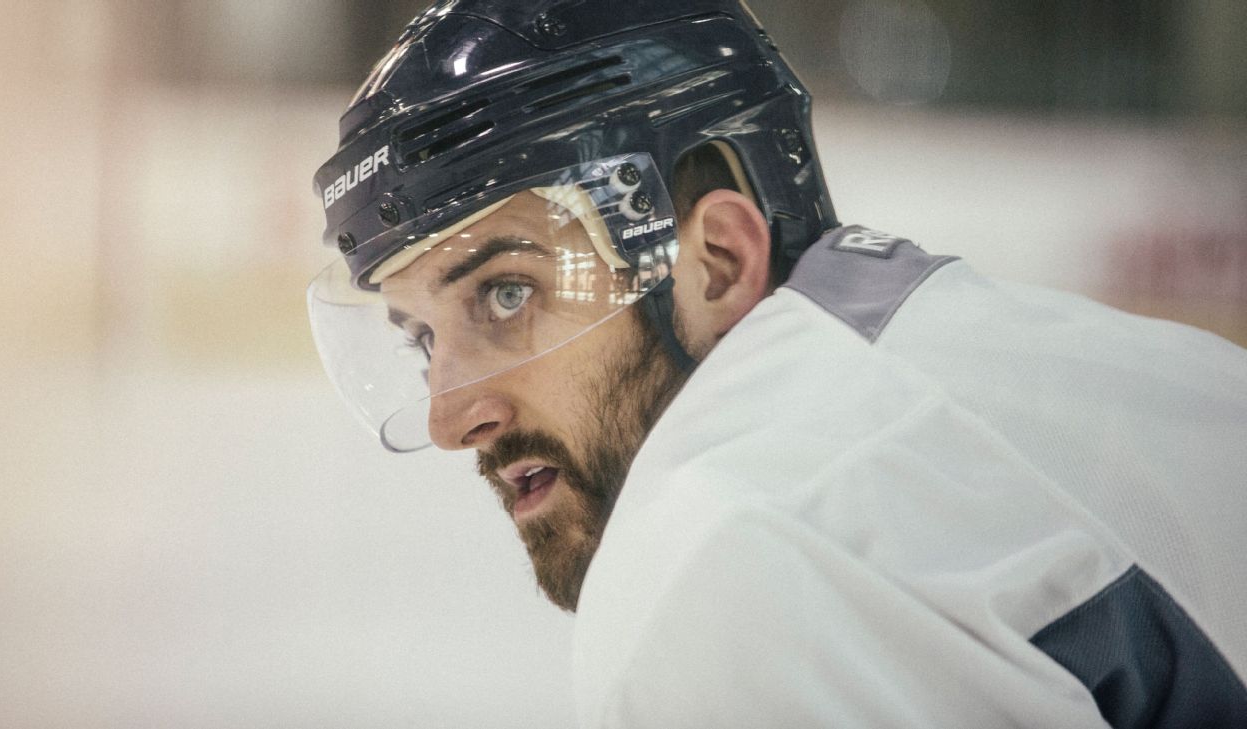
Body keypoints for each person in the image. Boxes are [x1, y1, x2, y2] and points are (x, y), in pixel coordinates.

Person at [306, 1, 1247, 725]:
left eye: (505, 293)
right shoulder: (956, 351)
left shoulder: (727, 555)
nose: (446, 414)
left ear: (716, 260)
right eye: (421, 337)